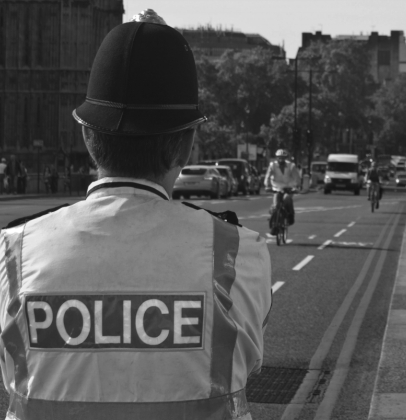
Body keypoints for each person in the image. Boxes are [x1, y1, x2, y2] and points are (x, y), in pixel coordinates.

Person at [0, 10, 271, 420]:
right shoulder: (237, 253)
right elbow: (246, 365)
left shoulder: (13, 254)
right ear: (186, 146)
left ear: (88, 136)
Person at [265, 148, 300, 231]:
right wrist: (267, 185)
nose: (281, 159)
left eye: (283, 157)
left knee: (287, 198)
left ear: (286, 158)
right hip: (277, 187)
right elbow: (267, 176)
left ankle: (290, 215)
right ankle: (274, 224)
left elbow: (297, 178)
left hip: (289, 187)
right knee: (276, 205)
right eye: (279, 157)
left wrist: (297, 186)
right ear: (276, 157)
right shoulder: (272, 165)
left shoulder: (291, 166)